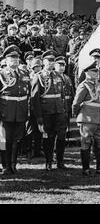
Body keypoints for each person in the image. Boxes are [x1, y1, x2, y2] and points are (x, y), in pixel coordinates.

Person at [31, 50, 68, 170]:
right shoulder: (39, 76)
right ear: (43, 62)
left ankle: (60, 161)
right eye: (49, 61)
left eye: (53, 61)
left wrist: (65, 111)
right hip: (47, 112)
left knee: (61, 136)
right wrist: (39, 117)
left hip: (59, 112)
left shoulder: (58, 76)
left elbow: (62, 96)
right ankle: (48, 162)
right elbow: (35, 99)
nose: (51, 63)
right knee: (48, 137)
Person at [72, 62, 100, 176]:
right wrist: (78, 116)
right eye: (94, 71)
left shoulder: (97, 85)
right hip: (87, 118)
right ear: (87, 73)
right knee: (86, 142)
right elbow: (76, 103)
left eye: (97, 71)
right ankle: (86, 169)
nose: (97, 73)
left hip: (98, 119)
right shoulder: (84, 85)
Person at [0, 45, 31, 174]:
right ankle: (5, 165)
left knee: (17, 139)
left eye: (17, 58)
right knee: (3, 140)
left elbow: (27, 93)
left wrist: (27, 110)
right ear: (6, 60)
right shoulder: (2, 74)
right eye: (11, 58)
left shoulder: (24, 73)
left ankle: (13, 165)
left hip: (20, 111)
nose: (15, 60)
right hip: (6, 111)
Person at [54, 56, 74, 142]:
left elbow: (72, 93)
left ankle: (62, 145)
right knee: (56, 130)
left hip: (67, 107)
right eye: (60, 65)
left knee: (64, 128)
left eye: (63, 65)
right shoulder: (52, 77)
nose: (62, 67)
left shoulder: (67, 78)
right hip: (57, 107)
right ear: (55, 65)